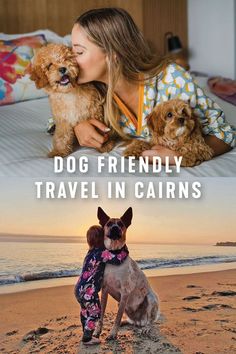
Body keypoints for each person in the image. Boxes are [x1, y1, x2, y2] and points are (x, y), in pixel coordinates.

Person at [71, 7, 235, 165]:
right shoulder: (87, 90)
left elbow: (226, 133)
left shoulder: (172, 79)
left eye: (79, 52)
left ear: (113, 53)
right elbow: (57, 120)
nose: (70, 60)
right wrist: (77, 126)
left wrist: (181, 156)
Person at [74, 225, 129, 345]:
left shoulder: (89, 253)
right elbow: (117, 259)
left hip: (78, 289)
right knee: (95, 312)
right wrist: (125, 251)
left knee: (85, 311)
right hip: (89, 292)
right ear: (102, 239)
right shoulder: (102, 253)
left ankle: (86, 331)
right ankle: (87, 338)